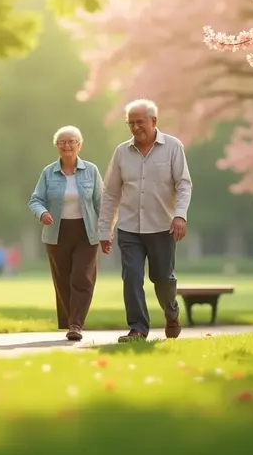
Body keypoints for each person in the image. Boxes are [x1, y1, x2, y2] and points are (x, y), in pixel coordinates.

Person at [98, 99, 192, 343]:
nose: (135, 127)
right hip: (129, 227)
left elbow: (183, 184)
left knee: (163, 278)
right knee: (131, 275)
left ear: (154, 121)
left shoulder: (173, 147)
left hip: (163, 226)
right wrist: (105, 230)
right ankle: (138, 328)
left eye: (140, 122)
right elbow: (110, 193)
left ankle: (171, 314)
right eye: (131, 123)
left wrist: (180, 215)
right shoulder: (121, 152)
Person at [28, 125, 103, 341]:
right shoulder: (48, 172)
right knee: (63, 280)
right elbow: (36, 200)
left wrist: (106, 232)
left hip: (87, 232)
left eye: (71, 141)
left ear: (80, 145)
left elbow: (102, 202)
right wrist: (42, 213)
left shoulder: (91, 170)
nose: (66, 145)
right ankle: (70, 321)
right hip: (56, 233)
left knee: (82, 277)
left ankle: (76, 324)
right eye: (62, 142)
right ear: (56, 147)